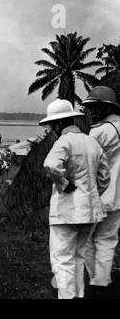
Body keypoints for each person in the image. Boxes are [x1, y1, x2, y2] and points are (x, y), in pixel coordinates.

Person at [40, 99, 110, 299]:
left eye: (52, 125)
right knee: (78, 259)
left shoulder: (64, 141)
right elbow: (105, 177)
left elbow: (51, 165)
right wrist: (92, 194)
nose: (52, 129)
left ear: (58, 123)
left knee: (62, 261)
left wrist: (64, 184)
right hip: (90, 212)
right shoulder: (92, 142)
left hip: (66, 213)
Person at [81, 86, 120, 298]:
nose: (92, 112)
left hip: (99, 196)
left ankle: (95, 285)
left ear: (107, 108)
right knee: (107, 240)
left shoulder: (98, 131)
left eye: (96, 107)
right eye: (90, 108)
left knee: (85, 240)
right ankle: (103, 283)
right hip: (118, 198)